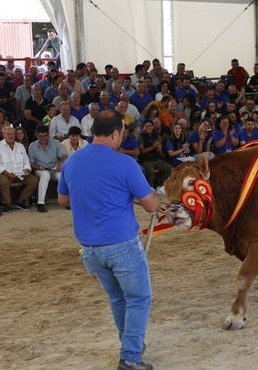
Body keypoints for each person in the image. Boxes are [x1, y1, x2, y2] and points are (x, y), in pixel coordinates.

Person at [57, 111, 160, 370]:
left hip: (90, 248)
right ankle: (130, 356)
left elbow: (63, 201)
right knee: (138, 297)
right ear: (115, 134)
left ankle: (130, 345)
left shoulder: (72, 162)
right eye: (121, 135)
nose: (121, 140)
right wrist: (155, 201)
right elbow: (150, 205)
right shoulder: (125, 164)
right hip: (121, 244)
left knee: (117, 297)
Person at [0, 126, 39, 213]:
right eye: (8, 134)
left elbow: (26, 161)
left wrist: (27, 170)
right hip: (5, 173)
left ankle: (20, 201)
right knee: (3, 181)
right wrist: (8, 174)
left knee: (34, 180)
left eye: (13, 134)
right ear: (4, 135)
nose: (11, 136)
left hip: (20, 173)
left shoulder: (20, 146)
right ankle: (7, 204)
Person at [28, 125, 67, 213]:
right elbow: (32, 163)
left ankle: (66, 201)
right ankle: (40, 203)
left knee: (62, 176)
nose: (43, 138)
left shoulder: (56, 143)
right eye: (40, 136)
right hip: (40, 169)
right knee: (45, 175)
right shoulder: (32, 146)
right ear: (36, 135)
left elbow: (64, 156)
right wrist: (38, 167)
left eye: (45, 136)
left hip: (54, 168)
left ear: (48, 135)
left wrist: (61, 163)